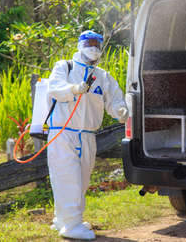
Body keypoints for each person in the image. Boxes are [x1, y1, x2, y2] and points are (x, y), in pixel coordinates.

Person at [46, 30, 128, 240]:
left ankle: (64, 219)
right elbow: (54, 88)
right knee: (67, 178)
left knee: (81, 180)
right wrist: (73, 89)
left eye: (97, 44)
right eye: (89, 43)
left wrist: (120, 110)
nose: (93, 47)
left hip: (87, 136)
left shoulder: (102, 76)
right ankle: (72, 226)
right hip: (63, 133)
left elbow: (115, 99)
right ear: (80, 45)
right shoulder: (64, 67)